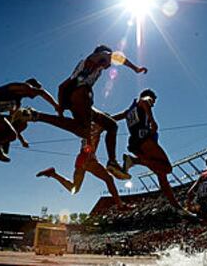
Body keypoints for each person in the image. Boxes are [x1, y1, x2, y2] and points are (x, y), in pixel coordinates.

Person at [57, 45, 147, 175]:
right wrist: (135, 68)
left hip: (79, 102)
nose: (110, 65)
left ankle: (111, 162)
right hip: (78, 99)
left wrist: (61, 108)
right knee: (106, 126)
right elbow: (116, 56)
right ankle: (102, 159)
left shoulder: (95, 69)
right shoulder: (94, 58)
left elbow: (63, 86)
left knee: (109, 125)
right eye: (109, 62)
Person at [112, 89, 191, 214]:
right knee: (167, 168)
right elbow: (145, 101)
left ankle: (177, 207)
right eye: (153, 101)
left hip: (134, 143)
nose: (153, 104)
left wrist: (100, 122)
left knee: (161, 174)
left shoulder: (129, 110)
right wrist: (152, 120)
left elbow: (115, 118)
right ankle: (133, 160)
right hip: (144, 139)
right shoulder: (144, 100)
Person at [36, 122, 127, 209]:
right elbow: (86, 145)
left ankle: (53, 174)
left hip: (81, 160)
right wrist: (88, 156)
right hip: (88, 159)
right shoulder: (92, 130)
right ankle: (120, 205)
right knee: (109, 179)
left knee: (74, 189)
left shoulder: (89, 131)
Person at [0, 78, 60, 162]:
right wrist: (56, 106)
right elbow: (42, 92)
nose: (34, 95)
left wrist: (22, 140)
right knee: (11, 133)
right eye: (34, 91)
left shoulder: (16, 104)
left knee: (20, 125)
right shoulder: (22, 87)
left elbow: (12, 125)